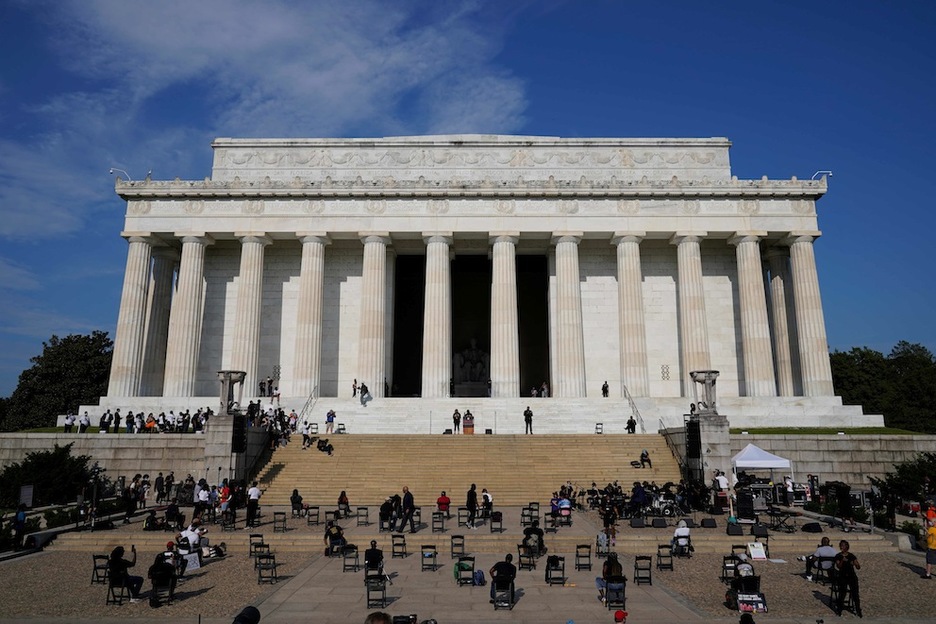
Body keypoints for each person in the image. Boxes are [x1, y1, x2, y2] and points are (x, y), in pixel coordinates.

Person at [833, 539, 861, 617]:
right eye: (841, 546)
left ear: (847, 547)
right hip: (842, 576)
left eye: (843, 546)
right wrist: (842, 560)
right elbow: (838, 566)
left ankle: (858, 609)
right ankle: (839, 609)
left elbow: (858, 566)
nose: (842, 547)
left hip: (851, 576)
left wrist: (855, 564)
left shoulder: (851, 556)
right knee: (842, 592)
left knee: (855, 593)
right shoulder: (838, 556)